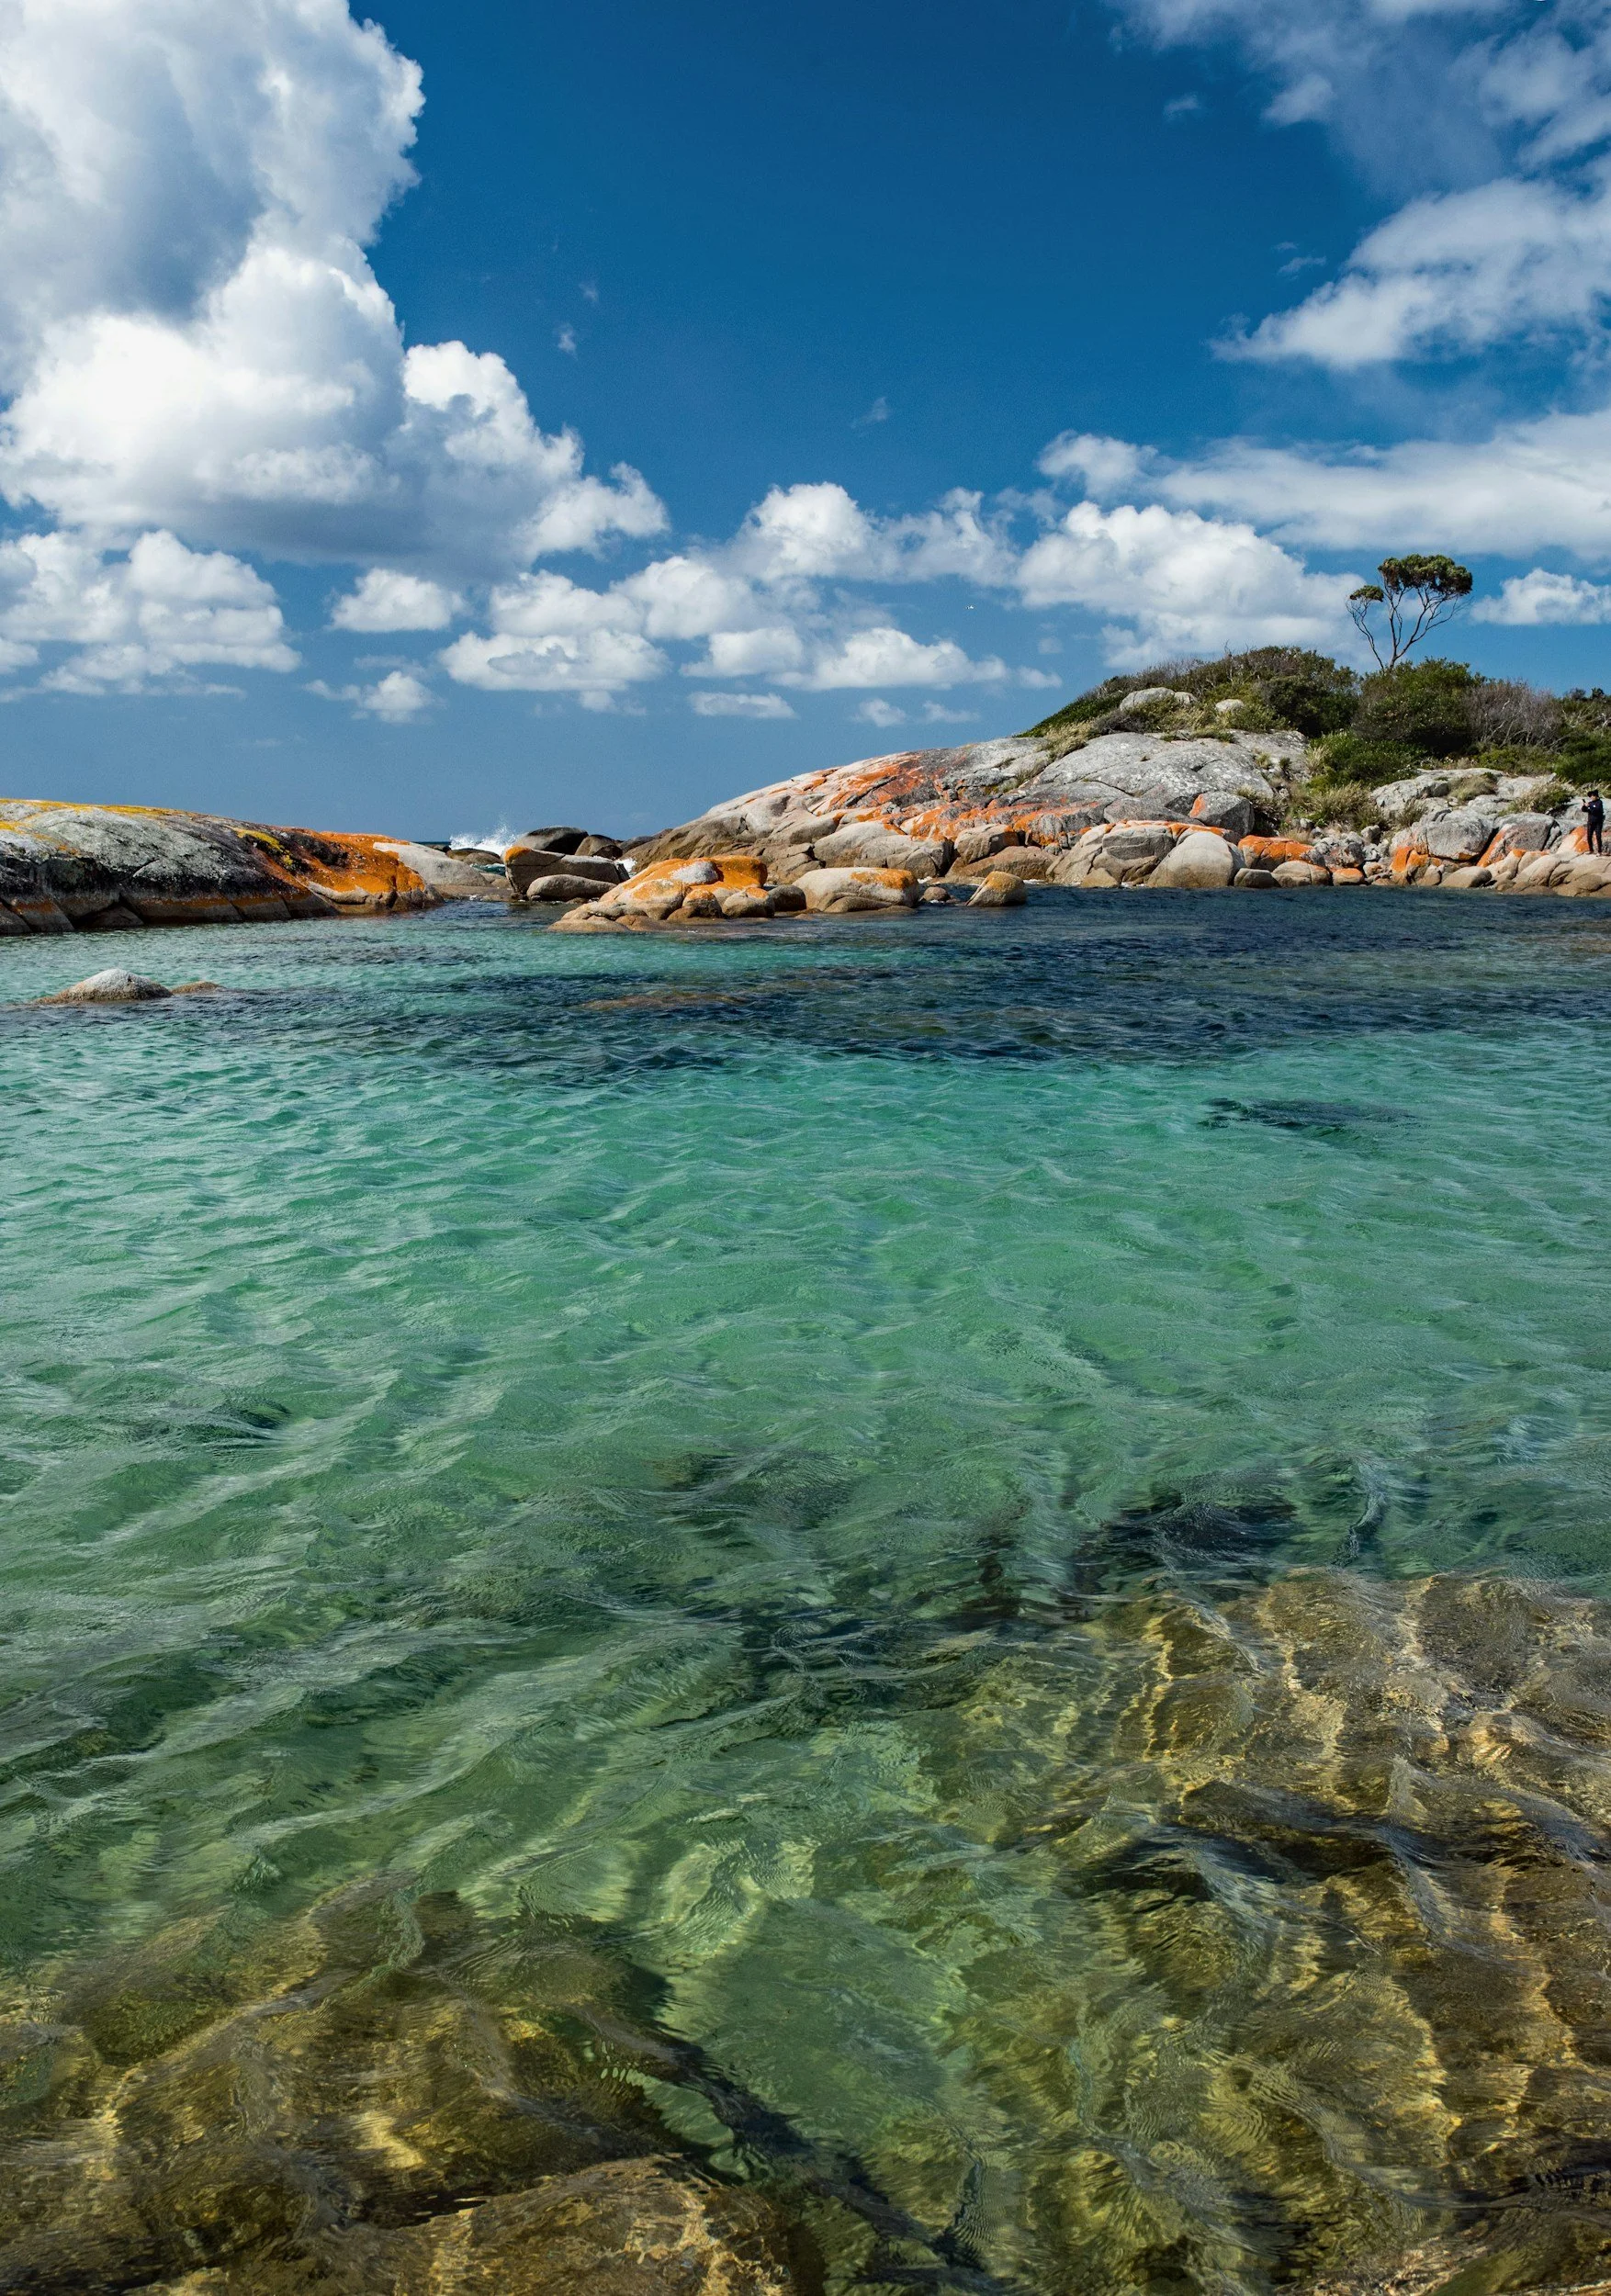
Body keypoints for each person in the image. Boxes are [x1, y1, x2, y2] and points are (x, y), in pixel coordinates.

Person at [1587, 790, 1605, 856]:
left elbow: (1597, 809)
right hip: (1590, 822)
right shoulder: (1590, 803)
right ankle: (1591, 850)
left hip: (1598, 823)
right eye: (1591, 796)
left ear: (1597, 796)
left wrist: (1590, 806)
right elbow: (1583, 810)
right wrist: (1585, 806)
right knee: (1589, 836)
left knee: (1598, 836)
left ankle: (1599, 851)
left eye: (1593, 795)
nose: (1592, 797)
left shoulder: (1599, 802)